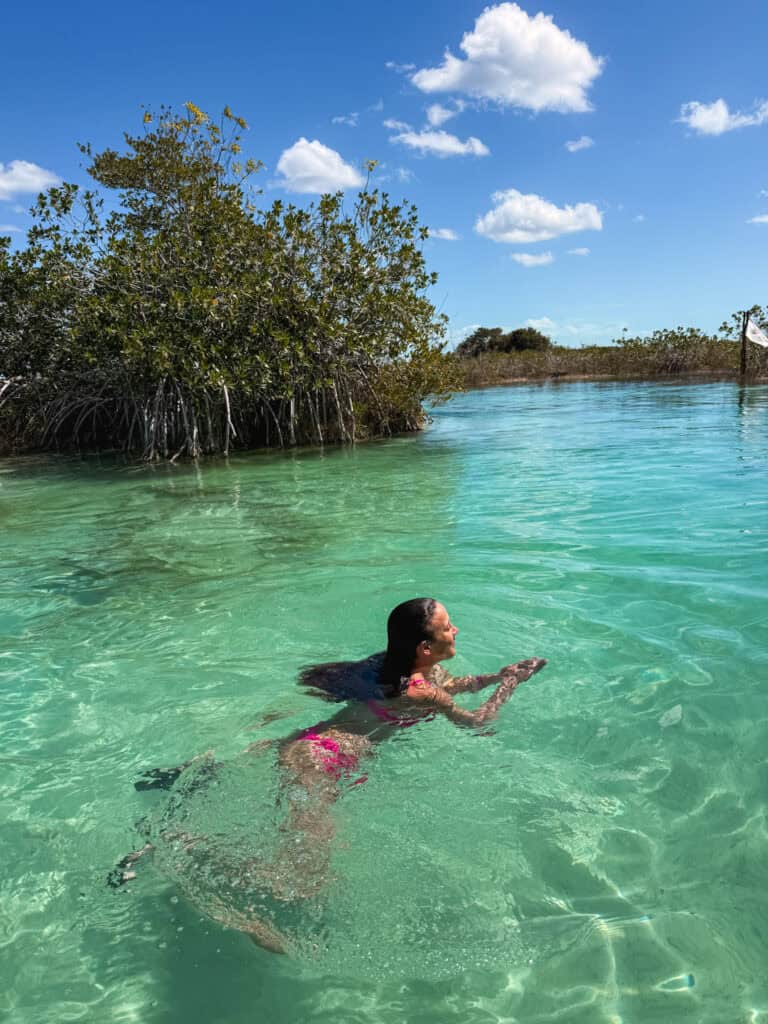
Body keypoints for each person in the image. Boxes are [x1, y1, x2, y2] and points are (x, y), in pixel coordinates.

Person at [110, 598, 546, 953]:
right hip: (321, 763)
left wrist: (498, 674)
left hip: (306, 742)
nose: (457, 631)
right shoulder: (421, 688)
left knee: (250, 783)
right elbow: (477, 723)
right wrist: (510, 688)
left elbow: (452, 686)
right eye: (448, 627)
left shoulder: (400, 670)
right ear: (425, 648)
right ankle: (176, 848)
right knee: (307, 881)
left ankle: (190, 778)